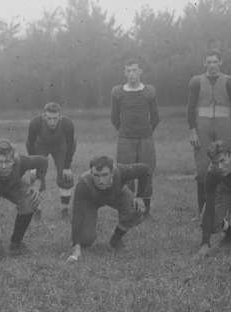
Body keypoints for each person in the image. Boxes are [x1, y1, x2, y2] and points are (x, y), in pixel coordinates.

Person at [187, 50, 231, 218]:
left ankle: (229, 212)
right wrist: (192, 131)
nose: (212, 65)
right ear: (204, 63)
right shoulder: (196, 81)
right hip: (202, 126)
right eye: (209, 62)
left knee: (227, 166)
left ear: (221, 62)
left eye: (215, 62)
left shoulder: (230, 81)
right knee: (203, 168)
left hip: (225, 125)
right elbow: (190, 108)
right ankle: (202, 211)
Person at [66, 156, 148, 263]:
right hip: (91, 201)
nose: (100, 180)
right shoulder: (83, 184)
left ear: (112, 173)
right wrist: (76, 249)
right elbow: (77, 215)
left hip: (115, 194)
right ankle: (83, 239)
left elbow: (144, 169)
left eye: (105, 175)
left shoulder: (121, 171)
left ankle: (116, 240)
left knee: (135, 209)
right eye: (96, 175)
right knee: (85, 239)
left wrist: (140, 196)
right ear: (91, 173)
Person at [110, 59, 160, 215]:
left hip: (145, 138)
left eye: (134, 70)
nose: (132, 74)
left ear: (140, 72)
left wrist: (146, 131)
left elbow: (155, 117)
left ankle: (147, 210)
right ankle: (129, 209)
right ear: (125, 73)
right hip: (126, 138)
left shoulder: (149, 91)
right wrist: (125, 131)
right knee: (126, 174)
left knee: (147, 172)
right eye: (128, 71)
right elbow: (114, 118)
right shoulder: (118, 92)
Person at [25, 102, 76, 219]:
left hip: (61, 146)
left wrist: (67, 167)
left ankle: (64, 211)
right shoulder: (35, 123)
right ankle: (37, 211)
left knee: (66, 176)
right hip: (41, 145)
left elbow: (70, 144)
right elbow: (30, 143)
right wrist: (32, 165)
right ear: (44, 116)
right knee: (36, 176)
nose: (52, 122)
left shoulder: (68, 124)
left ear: (60, 117)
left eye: (55, 119)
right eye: (49, 118)